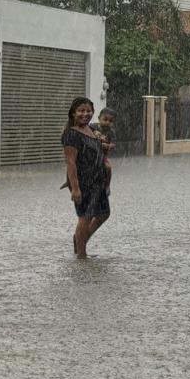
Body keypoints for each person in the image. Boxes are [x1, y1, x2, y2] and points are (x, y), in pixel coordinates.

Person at [62, 97, 110, 259]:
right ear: (73, 113)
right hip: (84, 182)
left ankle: (80, 240)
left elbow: (97, 152)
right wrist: (75, 187)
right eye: (81, 110)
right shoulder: (71, 134)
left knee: (104, 214)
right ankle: (81, 256)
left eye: (88, 110)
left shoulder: (91, 130)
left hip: (98, 181)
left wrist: (102, 144)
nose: (85, 114)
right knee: (85, 217)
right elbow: (71, 163)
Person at [90, 107, 117, 195]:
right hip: (89, 155)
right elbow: (83, 128)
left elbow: (113, 144)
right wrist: (93, 132)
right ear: (99, 118)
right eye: (105, 119)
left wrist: (108, 146)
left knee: (108, 168)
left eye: (110, 121)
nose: (107, 122)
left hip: (102, 156)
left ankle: (107, 185)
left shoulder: (111, 132)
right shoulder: (93, 126)